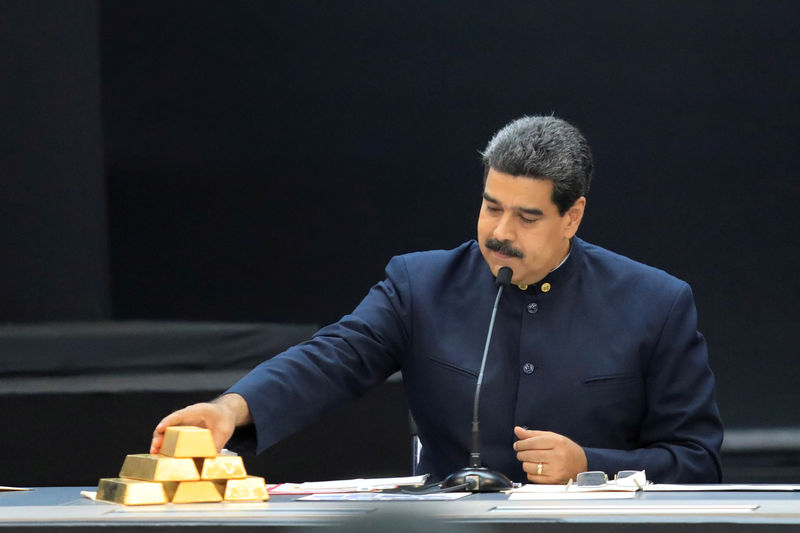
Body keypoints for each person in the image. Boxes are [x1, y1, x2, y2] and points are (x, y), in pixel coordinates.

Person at [151, 115, 723, 484]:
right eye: (491, 205)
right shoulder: (420, 285)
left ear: (572, 216)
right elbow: (334, 357)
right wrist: (232, 407)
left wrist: (590, 465)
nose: (500, 231)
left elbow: (698, 461)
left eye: (527, 217)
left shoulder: (656, 303)